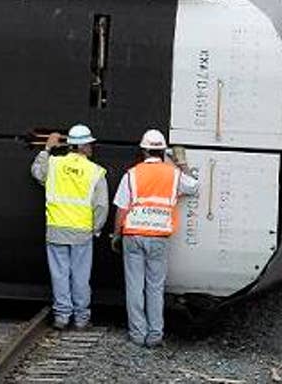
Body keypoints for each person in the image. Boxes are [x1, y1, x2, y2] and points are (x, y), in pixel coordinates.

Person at [111, 129, 200, 347]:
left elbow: (122, 209)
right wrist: (181, 162)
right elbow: (195, 186)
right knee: (155, 287)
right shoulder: (173, 174)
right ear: (162, 152)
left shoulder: (131, 174)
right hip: (158, 237)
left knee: (134, 286)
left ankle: (137, 334)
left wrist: (116, 234)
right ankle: (155, 335)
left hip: (133, 235)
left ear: (143, 151)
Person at [31, 124, 108, 328]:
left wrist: (47, 148)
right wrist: (96, 228)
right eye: (90, 144)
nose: (92, 148)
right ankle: (82, 318)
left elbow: (37, 173)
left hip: (56, 229)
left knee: (59, 274)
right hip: (81, 232)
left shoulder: (54, 164)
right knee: (81, 276)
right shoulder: (95, 172)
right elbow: (101, 205)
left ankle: (62, 316)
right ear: (82, 146)